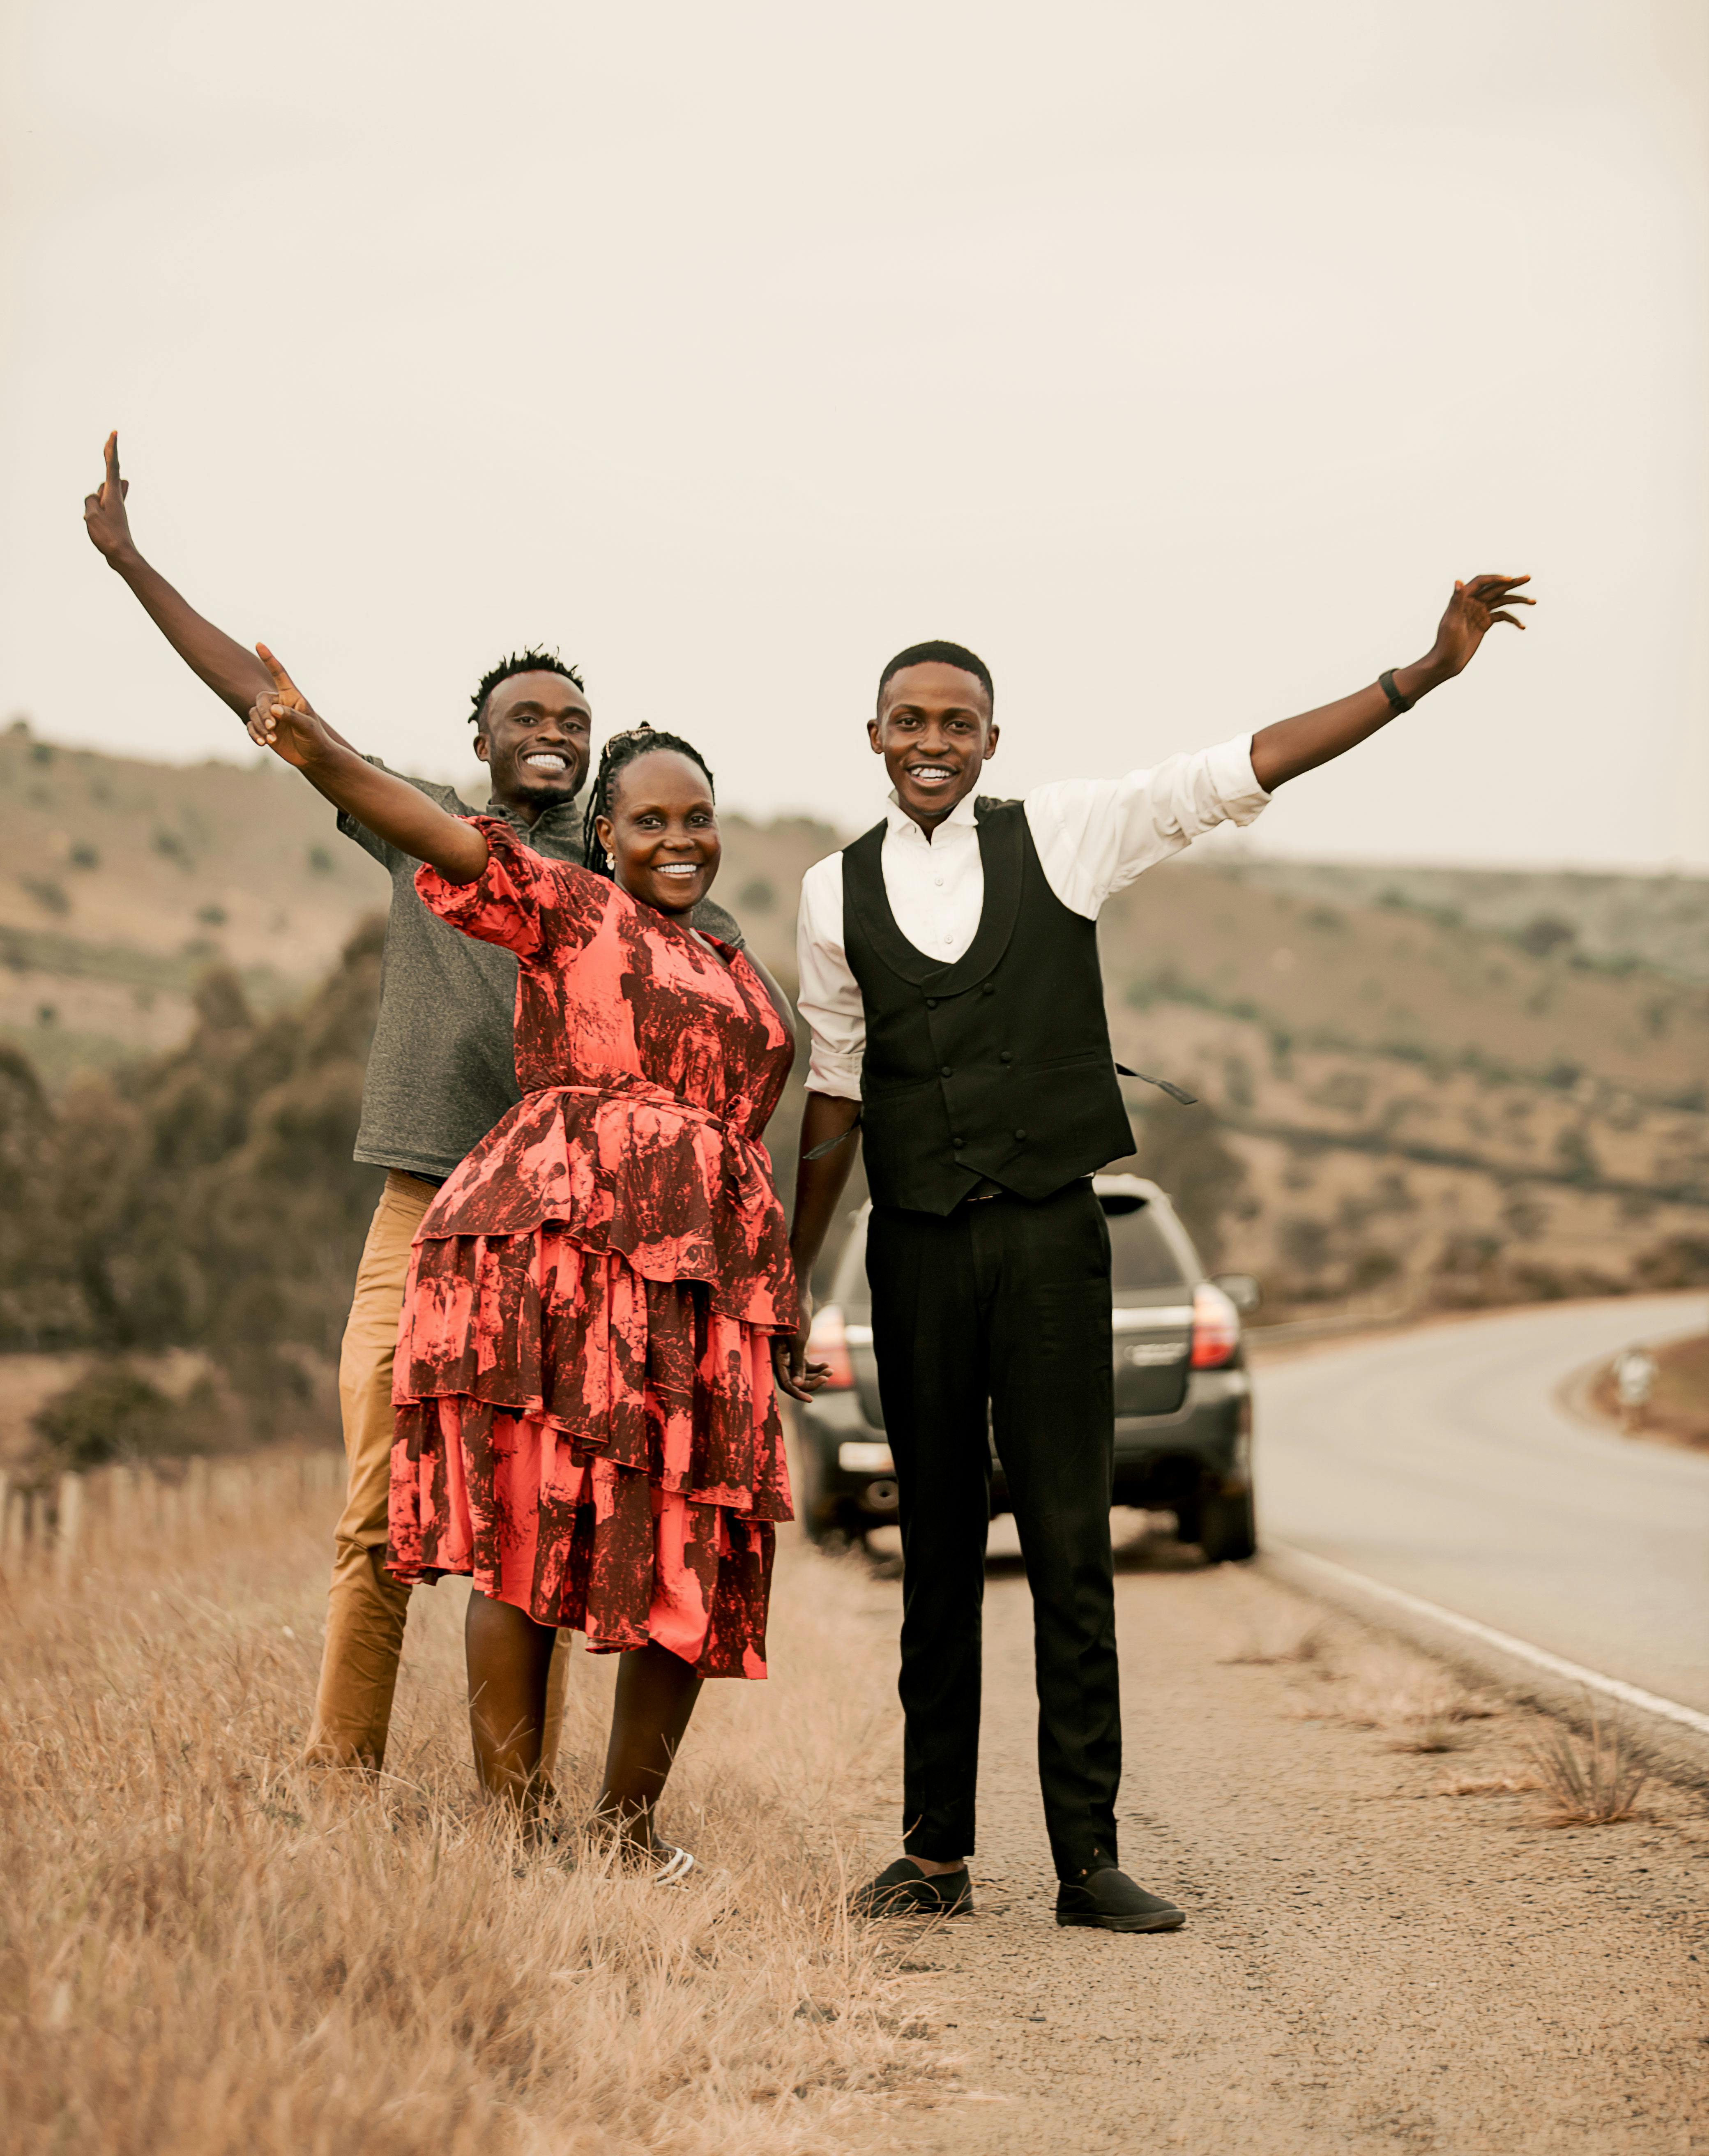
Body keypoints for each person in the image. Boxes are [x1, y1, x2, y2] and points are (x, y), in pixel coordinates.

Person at [774, 576, 1534, 1932]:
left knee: (1072, 1541)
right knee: (937, 1551)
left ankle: (1087, 1864)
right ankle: (935, 1855)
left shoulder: (1066, 834)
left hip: (1057, 1240)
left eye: (960, 720)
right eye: (909, 720)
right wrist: (788, 1269)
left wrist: (1420, 675)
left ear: (995, 740)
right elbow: (835, 1091)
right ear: (874, 736)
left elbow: (1236, 771)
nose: (934, 739)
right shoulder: (832, 895)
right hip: (921, 1254)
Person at [80, 432, 753, 1774]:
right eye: (526, 720)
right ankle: (342, 1773)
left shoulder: (636, 872)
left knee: (548, 1514)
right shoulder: (432, 833)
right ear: (482, 745)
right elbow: (289, 728)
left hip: (576, 1240)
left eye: (574, 721)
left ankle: (518, 1799)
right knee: (381, 1497)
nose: (552, 737)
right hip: (424, 1204)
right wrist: (131, 563)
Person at [246, 699, 816, 1866]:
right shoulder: (571, 906)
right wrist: (317, 752)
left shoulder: (735, 956)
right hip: (561, 1263)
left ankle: (625, 1829)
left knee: (692, 1537)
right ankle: (511, 1823)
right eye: (649, 817)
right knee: (529, 1522)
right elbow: (442, 835)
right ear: (600, 833)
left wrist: (782, 1294)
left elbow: (755, 1139)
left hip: (701, 1288)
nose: (679, 838)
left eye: (697, 817)